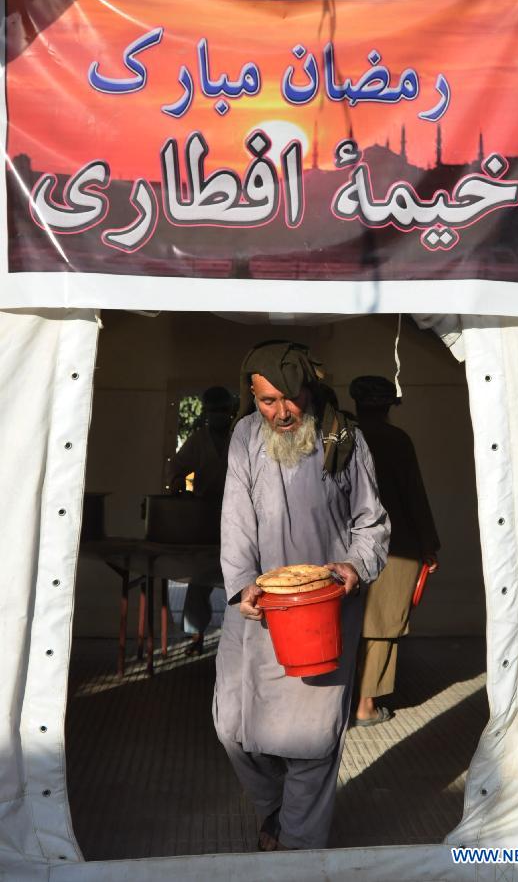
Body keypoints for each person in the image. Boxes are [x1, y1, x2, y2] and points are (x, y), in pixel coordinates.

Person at [213, 341, 389, 851]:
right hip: (256, 604)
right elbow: (235, 518)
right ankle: (274, 810)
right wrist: (244, 582)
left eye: (289, 398)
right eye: (268, 401)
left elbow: (371, 522)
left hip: (324, 609)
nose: (281, 412)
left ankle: (296, 847)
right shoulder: (246, 436)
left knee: (311, 740)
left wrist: (354, 567)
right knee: (232, 725)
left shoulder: (344, 436)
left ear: (307, 389)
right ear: (252, 395)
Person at [349, 375, 440, 726]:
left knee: (350, 624)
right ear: (389, 407)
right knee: (383, 625)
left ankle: (345, 701)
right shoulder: (398, 440)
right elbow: (413, 495)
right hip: (396, 543)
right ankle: (366, 705)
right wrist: (429, 545)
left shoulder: (343, 437)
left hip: (348, 544)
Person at [167, 386, 234, 655]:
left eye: (223, 410)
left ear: (230, 412)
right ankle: (195, 637)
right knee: (200, 580)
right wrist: (178, 487)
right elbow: (176, 468)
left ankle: (236, 640)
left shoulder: (240, 438)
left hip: (239, 518)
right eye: (214, 410)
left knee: (240, 577)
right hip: (205, 517)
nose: (219, 415)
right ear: (206, 413)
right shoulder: (198, 440)